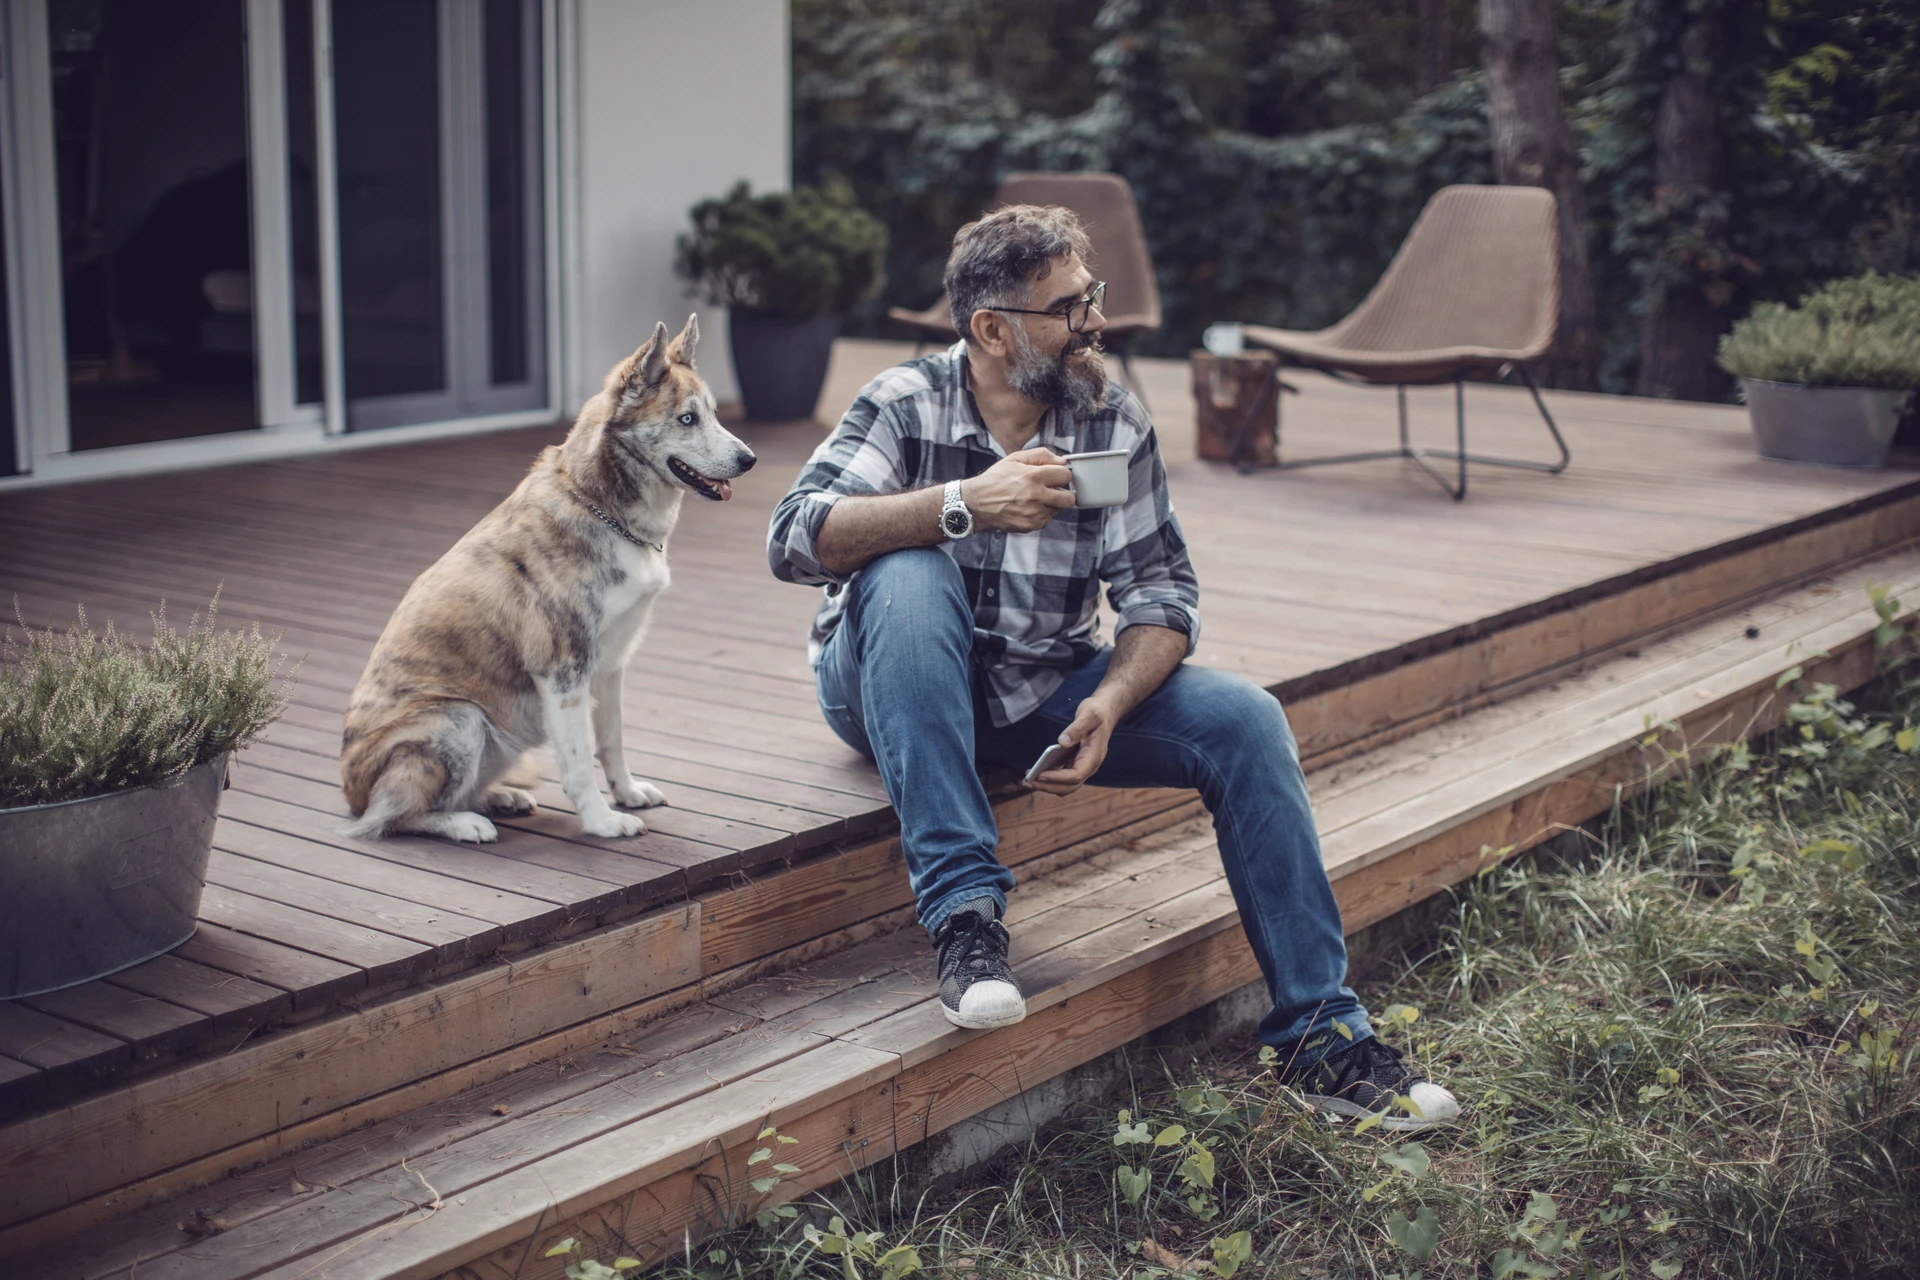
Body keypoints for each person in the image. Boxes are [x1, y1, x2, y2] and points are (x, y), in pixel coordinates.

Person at [766, 205, 1458, 1131]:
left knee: (1247, 720)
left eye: (1094, 296)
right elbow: (793, 536)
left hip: (1041, 686)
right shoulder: (904, 402)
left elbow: (1162, 593)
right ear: (992, 328)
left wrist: (1113, 699)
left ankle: (1323, 1040)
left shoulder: (1108, 417)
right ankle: (967, 920)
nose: (1096, 321)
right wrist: (964, 504)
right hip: (883, 677)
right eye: (1070, 306)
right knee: (908, 565)